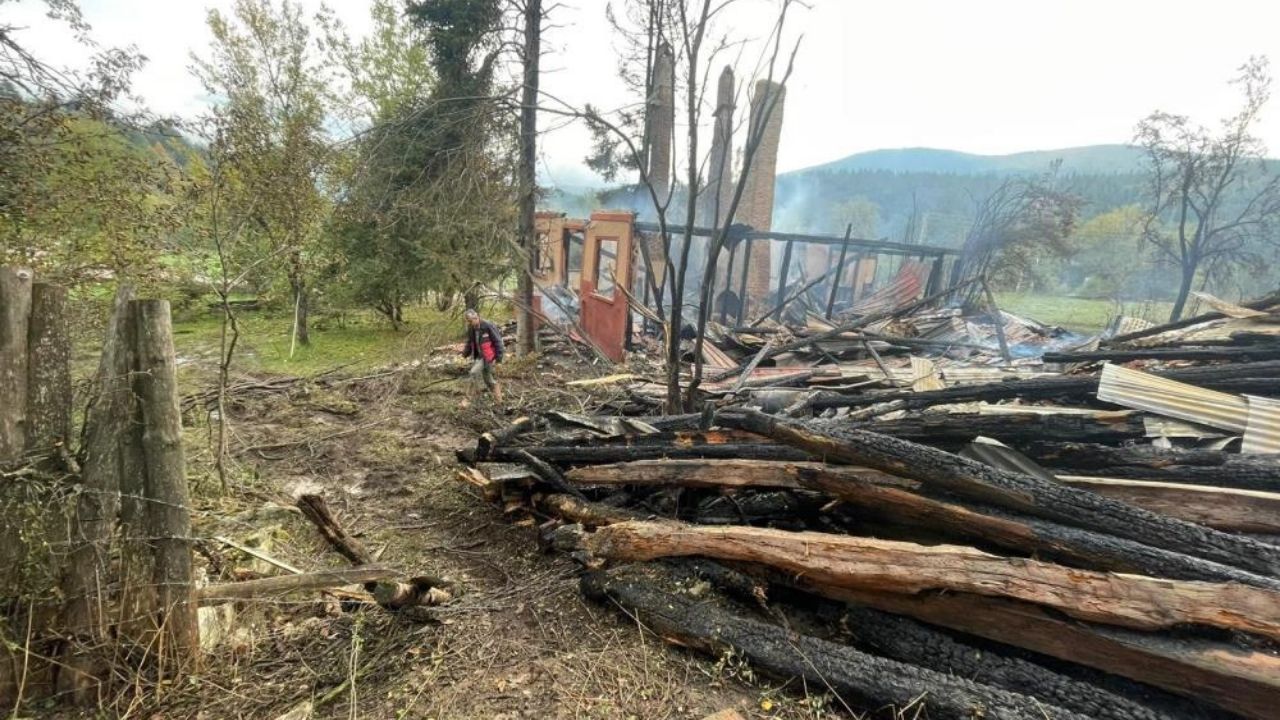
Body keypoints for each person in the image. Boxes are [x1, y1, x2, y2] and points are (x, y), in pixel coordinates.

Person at [461, 308, 504, 403]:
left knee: (473, 372)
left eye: (473, 319)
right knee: (488, 379)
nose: (472, 322)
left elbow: (498, 342)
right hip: (480, 356)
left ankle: (467, 399)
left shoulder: (487, 326)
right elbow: (469, 342)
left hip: (488, 356)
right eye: (470, 321)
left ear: (477, 317)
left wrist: (499, 360)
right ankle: (499, 400)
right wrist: (464, 354)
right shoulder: (471, 328)